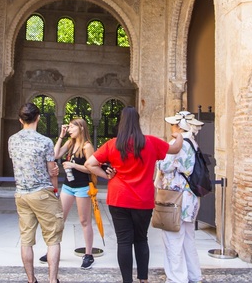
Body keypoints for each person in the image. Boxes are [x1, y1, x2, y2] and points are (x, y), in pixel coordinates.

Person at [85, 106, 183, 283]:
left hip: (118, 198)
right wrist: (179, 134)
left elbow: (90, 164)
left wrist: (107, 174)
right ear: (137, 122)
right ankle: (143, 279)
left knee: (123, 241)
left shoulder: (113, 144)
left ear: (121, 123)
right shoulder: (150, 142)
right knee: (141, 239)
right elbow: (175, 149)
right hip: (143, 200)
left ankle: (126, 281)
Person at [9, 102, 64, 283]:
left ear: (20, 119)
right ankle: (52, 279)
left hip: (21, 194)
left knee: (26, 239)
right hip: (42, 192)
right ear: (38, 118)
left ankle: (31, 280)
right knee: (52, 239)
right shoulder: (45, 142)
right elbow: (51, 171)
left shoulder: (12, 140)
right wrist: (55, 191)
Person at [39, 118, 96, 269]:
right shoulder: (70, 143)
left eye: (72, 127)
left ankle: (88, 254)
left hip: (82, 187)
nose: (69, 129)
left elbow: (91, 168)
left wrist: (73, 165)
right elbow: (55, 155)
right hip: (68, 187)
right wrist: (61, 136)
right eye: (68, 127)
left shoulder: (87, 146)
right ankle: (51, 251)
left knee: (84, 221)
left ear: (81, 128)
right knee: (59, 219)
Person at [156, 111, 205, 283]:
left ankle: (177, 278)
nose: (171, 127)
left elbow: (166, 165)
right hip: (190, 198)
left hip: (176, 198)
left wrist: (157, 161)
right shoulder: (193, 143)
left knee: (173, 239)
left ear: (179, 126)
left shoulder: (177, 143)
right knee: (188, 239)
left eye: (173, 124)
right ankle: (193, 275)